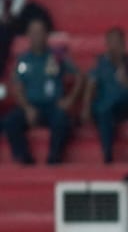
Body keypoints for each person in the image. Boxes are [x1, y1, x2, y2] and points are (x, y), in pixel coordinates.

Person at [4, 19, 78, 166]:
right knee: (11, 122)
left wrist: (70, 99)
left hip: (53, 106)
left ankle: (54, 158)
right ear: (28, 36)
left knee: (62, 120)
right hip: (31, 106)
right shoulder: (23, 61)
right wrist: (26, 108)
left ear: (46, 35)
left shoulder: (57, 57)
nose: (37, 36)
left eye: (40, 32)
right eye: (33, 33)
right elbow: (17, 86)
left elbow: (80, 76)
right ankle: (24, 158)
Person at [83, 27, 128, 164]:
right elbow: (91, 85)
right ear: (107, 44)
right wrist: (86, 107)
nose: (115, 46)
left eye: (118, 42)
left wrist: (127, 79)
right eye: (111, 42)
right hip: (105, 107)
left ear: (124, 44)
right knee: (103, 111)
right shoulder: (100, 63)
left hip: (125, 105)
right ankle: (107, 154)